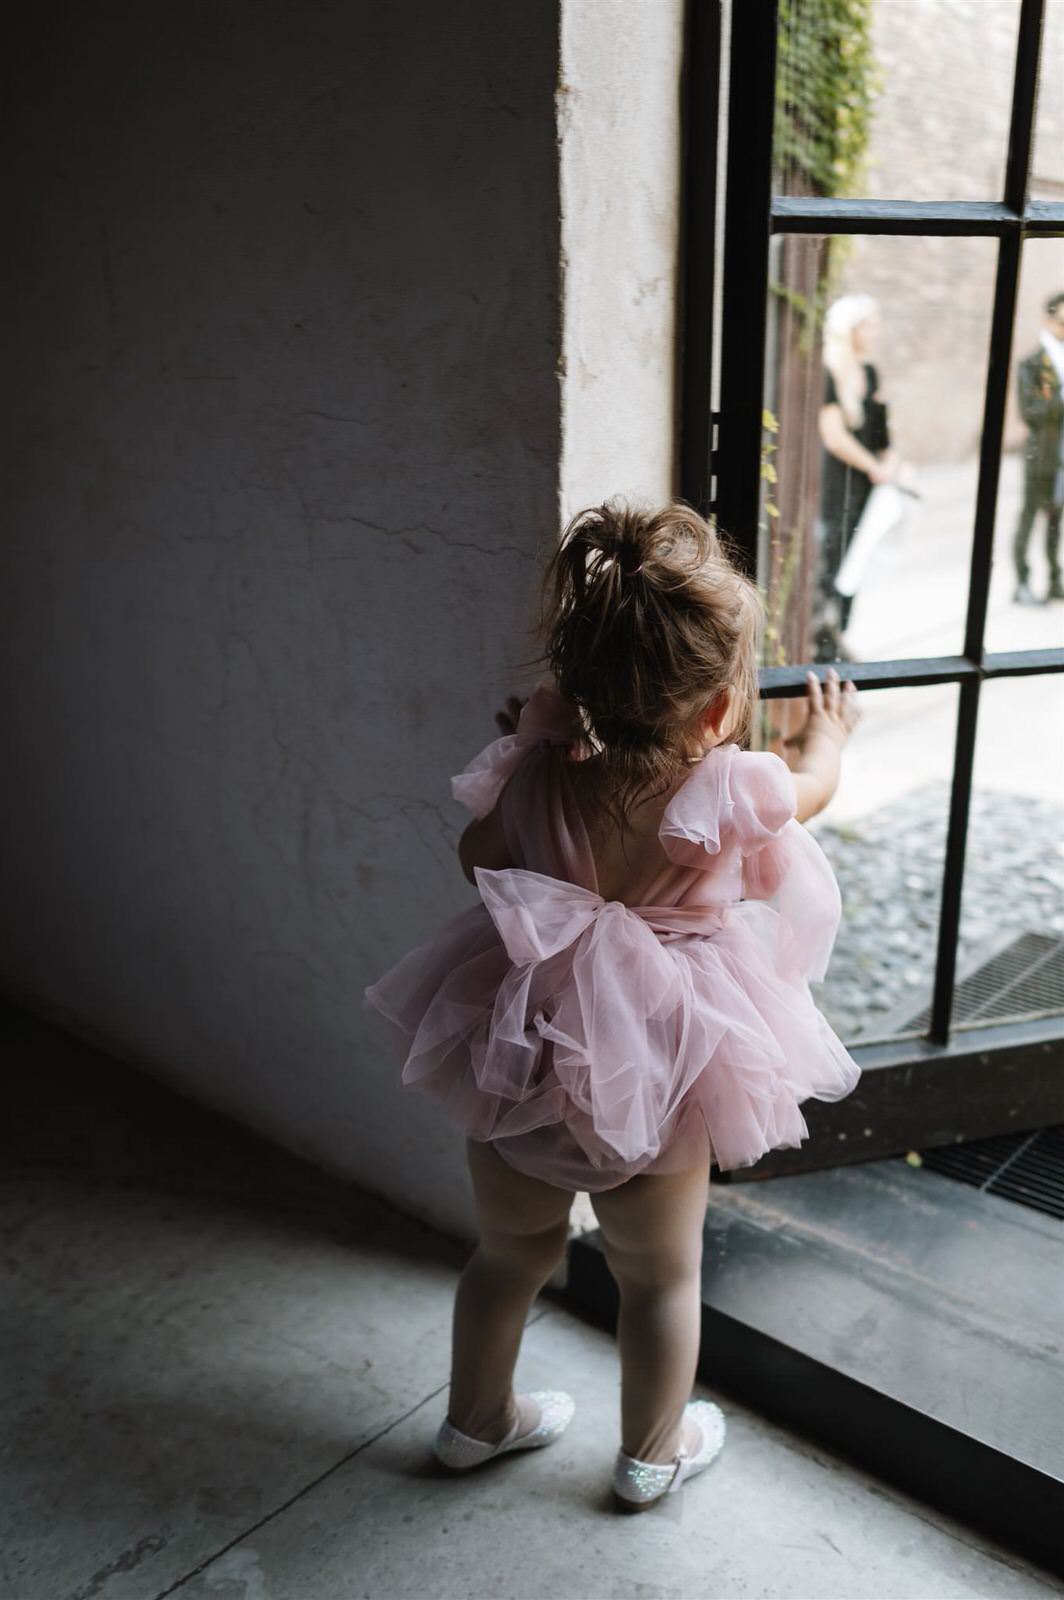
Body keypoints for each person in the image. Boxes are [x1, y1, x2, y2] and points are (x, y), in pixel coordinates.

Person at [364, 501, 862, 1511]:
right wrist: (824, 732)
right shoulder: (731, 788)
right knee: (658, 1278)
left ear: (577, 689)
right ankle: (650, 1453)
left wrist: (523, 765)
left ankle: (474, 1421)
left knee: (508, 1251)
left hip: (525, 1053)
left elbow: (478, 865)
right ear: (719, 710)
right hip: (669, 1066)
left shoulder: (540, 774)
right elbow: (812, 788)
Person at [815, 293, 896, 662]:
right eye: (868, 325)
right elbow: (834, 436)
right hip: (839, 480)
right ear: (848, 329)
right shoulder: (828, 370)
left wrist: (891, 461)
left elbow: (882, 432)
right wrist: (873, 465)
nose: (875, 332)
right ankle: (825, 638)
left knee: (858, 555)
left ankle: (840, 633)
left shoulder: (870, 372)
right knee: (835, 552)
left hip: (868, 481)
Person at [1012, 290, 1064, 605]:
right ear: (1048, 320)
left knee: (1057, 518)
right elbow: (1029, 411)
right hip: (1040, 454)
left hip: (1063, 455)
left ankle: (1055, 579)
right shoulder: (1032, 363)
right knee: (1030, 517)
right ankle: (1022, 581)